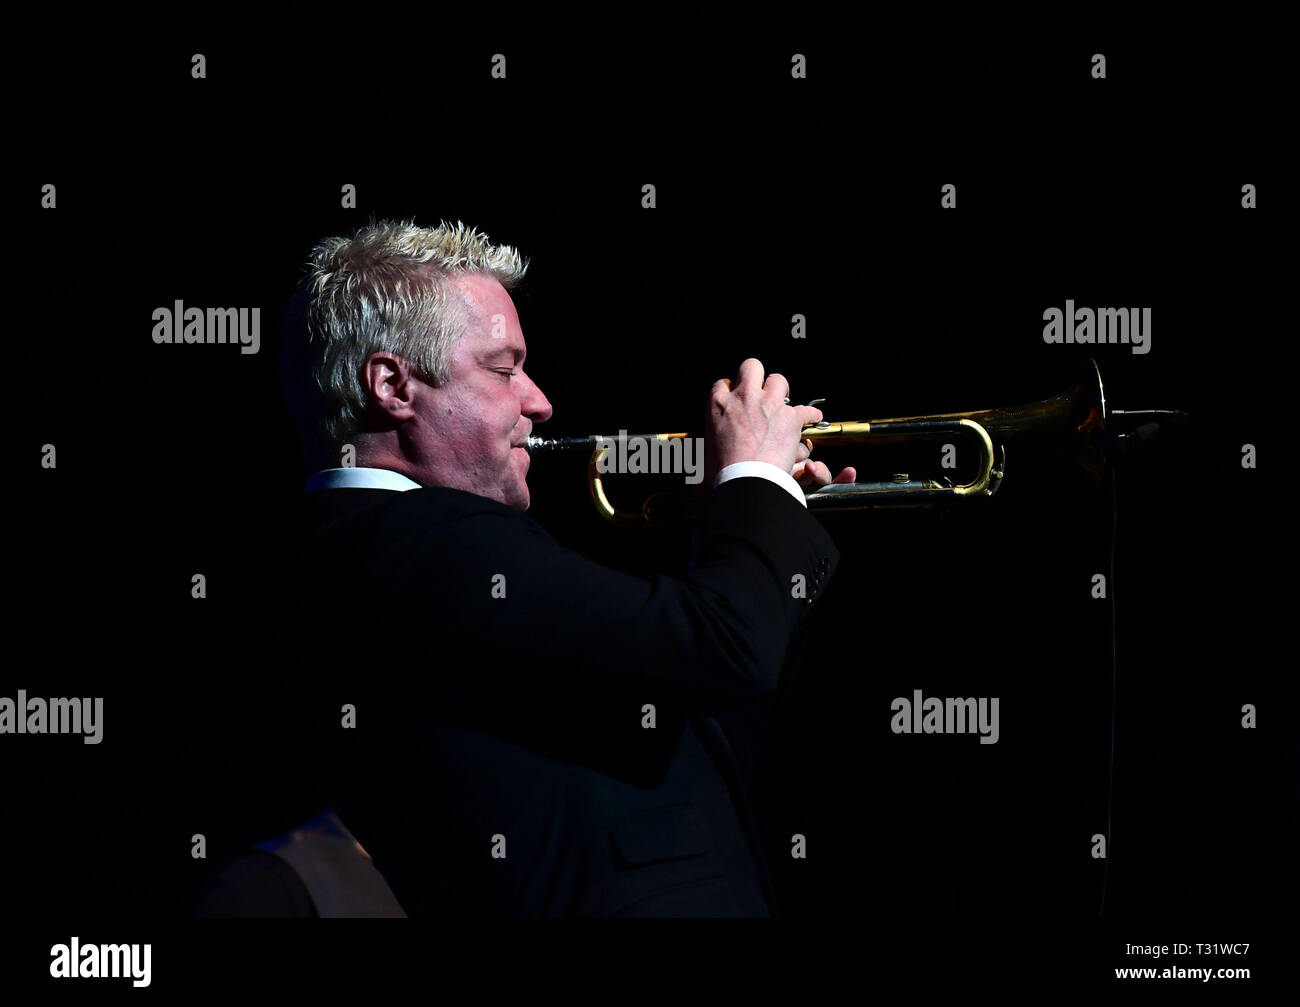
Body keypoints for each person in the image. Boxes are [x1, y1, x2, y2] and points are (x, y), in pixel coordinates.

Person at [260, 218, 852, 917]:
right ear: (393, 384)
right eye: (504, 368)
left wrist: (755, 523)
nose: (538, 401)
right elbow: (730, 650)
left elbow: (698, 699)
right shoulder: (423, 539)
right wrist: (754, 478)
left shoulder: (366, 551)